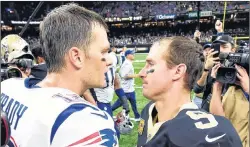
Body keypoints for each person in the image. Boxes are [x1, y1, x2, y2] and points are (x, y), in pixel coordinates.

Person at [1, 3, 119, 147]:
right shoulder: (86, 123)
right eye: (103, 52)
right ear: (77, 57)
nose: (109, 61)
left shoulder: (8, 87)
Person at [137, 36, 242, 147]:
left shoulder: (205, 135)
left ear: (178, 71)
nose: (141, 73)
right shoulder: (149, 109)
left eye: (151, 64)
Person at [112, 49, 140, 121]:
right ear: (128, 55)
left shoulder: (128, 63)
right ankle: (108, 112)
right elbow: (124, 75)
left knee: (134, 104)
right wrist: (136, 75)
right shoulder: (127, 64)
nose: (134, 55)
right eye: (132, 54)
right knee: (118, 104)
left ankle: (137, 116)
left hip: (130, 89)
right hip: (126, 90)